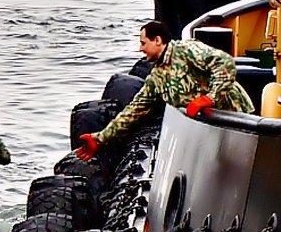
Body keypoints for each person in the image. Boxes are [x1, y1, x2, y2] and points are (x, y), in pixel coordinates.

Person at [76, 20, 254, 161]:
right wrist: (100, 138)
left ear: (158, 40)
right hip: (212, 127)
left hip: (237, 118)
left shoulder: (186, 50)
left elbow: (224, 62)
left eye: (143, 43)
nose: (140, 49)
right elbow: (134, 111)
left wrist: (210, 97)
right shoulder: (157, 77)